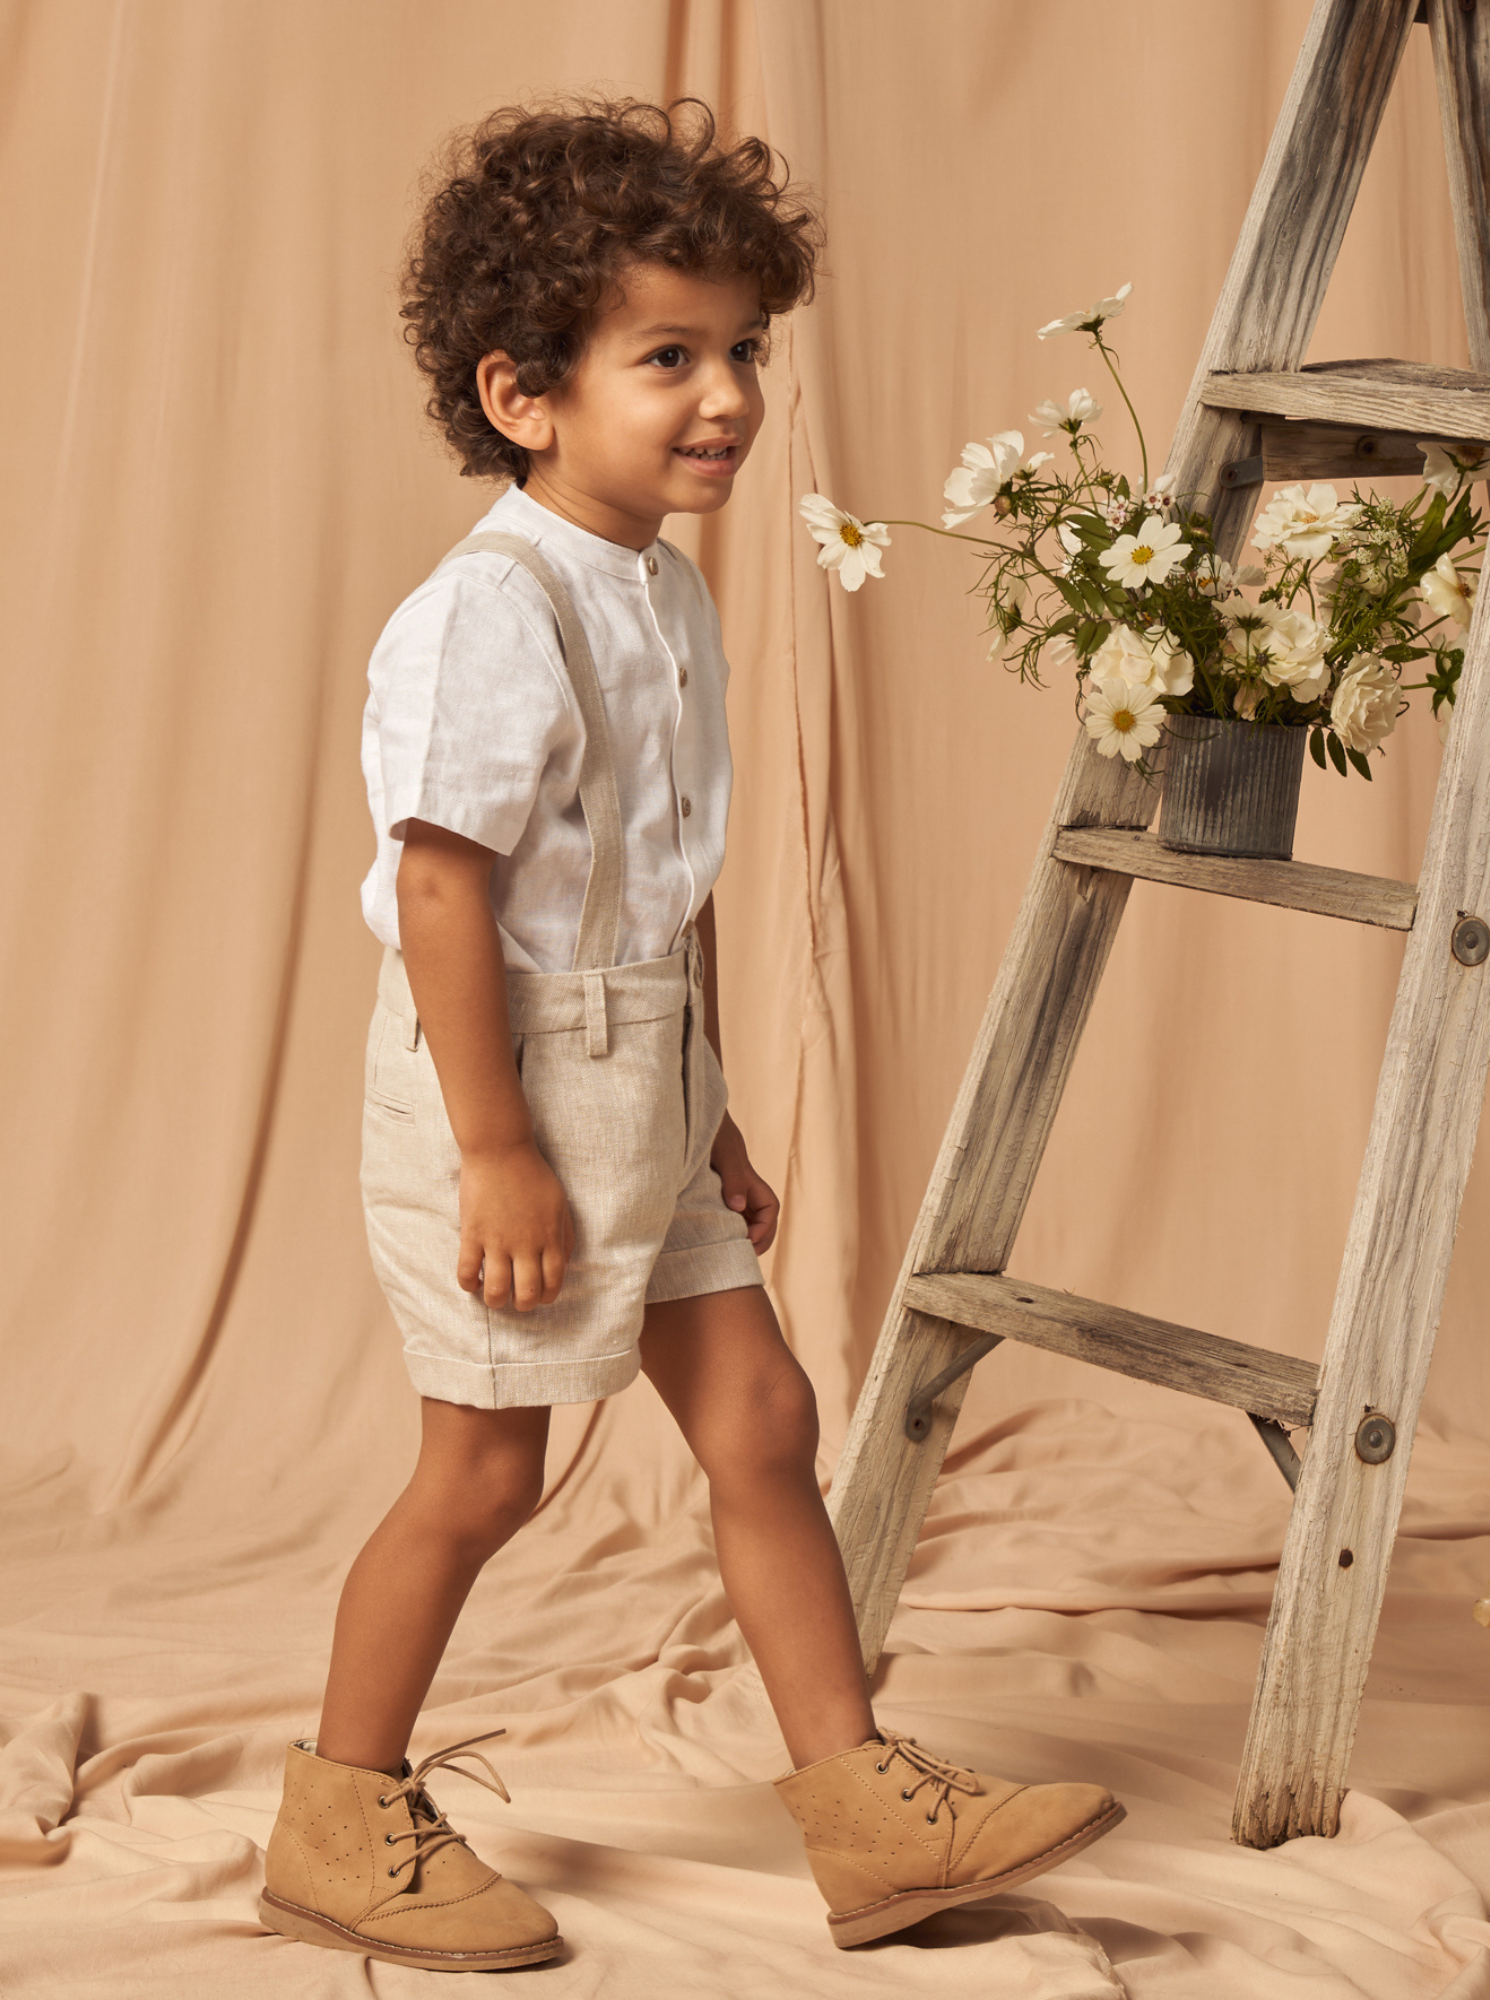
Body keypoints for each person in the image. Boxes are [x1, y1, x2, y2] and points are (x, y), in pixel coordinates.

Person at [259, 99, 1123, 1971]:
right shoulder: (490, 612)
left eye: (742, 350)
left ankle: (862, 1810)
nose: (725, 395)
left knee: (763, 1415)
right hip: (500, 1081)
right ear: (522, 393)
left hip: (640, 1071)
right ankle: (337, 1815)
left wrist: (702, 1108)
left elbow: (665, 885)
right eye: (668, 356)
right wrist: (500, 1148)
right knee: (487, 1472)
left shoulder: (658, 584)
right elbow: (441, 892)